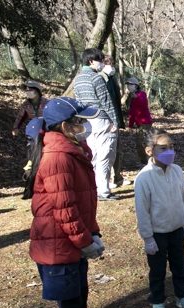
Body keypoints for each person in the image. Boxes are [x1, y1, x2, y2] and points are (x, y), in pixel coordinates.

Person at [24, 97, 118, 308]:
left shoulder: (73, 149)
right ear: (65, 126)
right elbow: (64, 209)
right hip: (57, 246)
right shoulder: (58, 157)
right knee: (70, 303)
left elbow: (84, 201)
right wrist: (84, 240)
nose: (84, 126)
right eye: (79, 122)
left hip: (71, 241)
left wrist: (93, 232)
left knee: (81, 295)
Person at [134, 129, 184, 308]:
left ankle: (183, 296)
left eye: (171, 147)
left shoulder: (177, 171)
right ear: (149, 151)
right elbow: (142, 211)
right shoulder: (144, 178)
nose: (169, 151)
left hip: (176, 230)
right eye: (163, 148)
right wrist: (148, 237)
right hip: (157, 234)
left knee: (180, 265)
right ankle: (158, 302)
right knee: (158, 270)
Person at [74, 48, 120, 201]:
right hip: (102, 119)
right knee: (106, 154)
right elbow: (106, 102)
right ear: (91, 62)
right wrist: (116, 121)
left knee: (92, 155)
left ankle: (93, 187)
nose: (101, 63)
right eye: (99, 60)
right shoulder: (96, 78)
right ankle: (104, 190)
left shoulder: (78, 79)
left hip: (88, 121)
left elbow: (78, 102)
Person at [99, 55, 131, 188]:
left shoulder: (112, 79)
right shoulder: (100, 79)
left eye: (113, 64)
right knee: (106, 152)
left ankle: (117, 178)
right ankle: (105, 181)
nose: (112, 67)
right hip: (106, 121)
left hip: (115, 120)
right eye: (109, 64)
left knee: (116, 150)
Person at [127, 77, 154, 165]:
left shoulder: (141, 94)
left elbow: (143, 105)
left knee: (144, 141)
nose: (129, 86)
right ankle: (144, 161)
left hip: (145, 122)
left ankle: (148, 161)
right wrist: (130, 125)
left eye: (131, 85)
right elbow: (132, 112)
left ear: (136, 86)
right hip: (138, 123)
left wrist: (137, 98)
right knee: (139, 143)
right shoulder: (131, 97)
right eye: (128, 85)